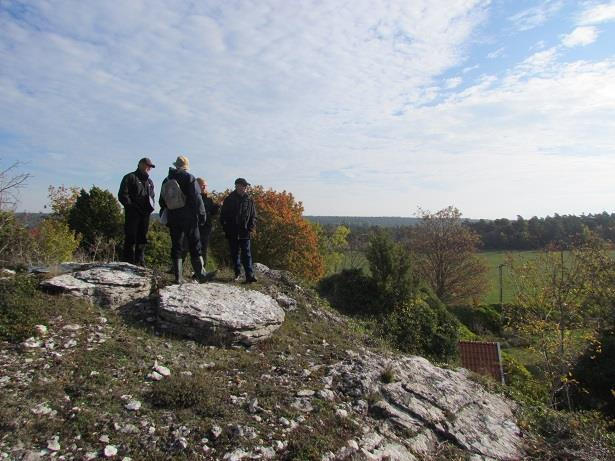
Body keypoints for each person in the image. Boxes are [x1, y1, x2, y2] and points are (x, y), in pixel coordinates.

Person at [159, 155, 208, 284]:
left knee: (177, 246)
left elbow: (161, 200)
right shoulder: (189, 178)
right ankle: (201, 274)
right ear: (186, 166)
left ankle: (178, 277)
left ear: (175, 165)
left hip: (173, 217)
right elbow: (197, 198)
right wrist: (202, 214)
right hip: (189, 217)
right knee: (195, 245)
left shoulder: (166, 179)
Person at [118, 157, 156, 266]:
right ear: (140, 164)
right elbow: (122, 195)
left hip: (145, 214)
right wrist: (131, 207)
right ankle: (127, 261)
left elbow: (152, 196)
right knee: (130, 237)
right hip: (132, 214)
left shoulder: (150, 182)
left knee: (142, 238)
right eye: (147, 165)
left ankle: (140, 261)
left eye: (150, 167)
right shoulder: (130, 177)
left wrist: (151, 206)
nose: (148, 168)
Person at [220, 178, 257, 283]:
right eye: (243, 185)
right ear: (237, 186)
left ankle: (249, 276)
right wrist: (226, 228)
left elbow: (253, 215)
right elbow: (223, 216)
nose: (245, 188)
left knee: (247, 253)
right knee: (235, 253)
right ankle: (237, 274)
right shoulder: (229, 199)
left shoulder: (249, 199)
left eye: (245, 186)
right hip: (232, 231)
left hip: (245, 231)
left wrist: (251, 227)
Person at [196, 177, 220, 275]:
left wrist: (217, 207)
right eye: (204, 185)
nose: (205, 187)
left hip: (206, 227)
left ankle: (202, 270)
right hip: (195, 227)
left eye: (205, 185)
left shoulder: (208, 199)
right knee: (192, 248)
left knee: (203, 249)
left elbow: (212, 213)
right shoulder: (194, 198)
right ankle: (197, 270)